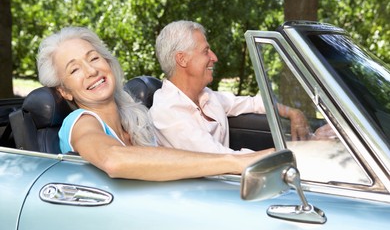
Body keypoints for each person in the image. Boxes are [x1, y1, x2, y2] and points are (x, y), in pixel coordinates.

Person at [37, 26, 275, 181]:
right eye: (75, 69)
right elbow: (113, 159)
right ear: (65, 91)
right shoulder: (80, 123)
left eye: (94, 58)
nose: (91, 70)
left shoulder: (133, 119)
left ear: (108, 62)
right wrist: (236, 161)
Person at [149, 20, 309, 154]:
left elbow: (255, 103)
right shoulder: (167, 112)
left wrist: (293, 113)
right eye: (206, 51)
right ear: (182, 59)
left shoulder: (207, 97)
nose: (214, 57)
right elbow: (221, 159)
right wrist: (293, 153)